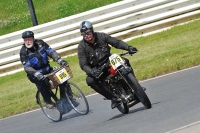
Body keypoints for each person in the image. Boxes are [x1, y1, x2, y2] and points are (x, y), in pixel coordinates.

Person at [77, 21, 145, 109]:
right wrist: (91, 71)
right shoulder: (81, 47)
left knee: (125, 61)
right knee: (90, 81)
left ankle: (135, 86)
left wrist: (128, 47)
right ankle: (113, 98)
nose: (87, 35)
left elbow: (116, 42)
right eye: (84, 34)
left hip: (110, 62)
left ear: (92, 30)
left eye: (88, 33)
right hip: (98, 70)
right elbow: (83, 64)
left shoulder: (102, 36)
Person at [19, 31, 78, 109]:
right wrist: (36, 73)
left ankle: (67, 99)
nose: (28, 41)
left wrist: (59, 60)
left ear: (33, 39)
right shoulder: (23, 51)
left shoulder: (41, 43)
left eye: (29, 39)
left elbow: (51, 52)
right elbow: (27, 67)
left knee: (63, 77)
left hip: (47, 69)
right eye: (25, 40)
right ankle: (48, 102)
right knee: (41, 82)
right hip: (35, 74)